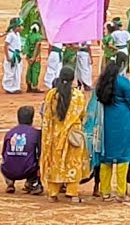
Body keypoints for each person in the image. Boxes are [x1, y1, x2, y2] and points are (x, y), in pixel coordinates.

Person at [39, 66, 89, 203]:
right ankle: (72, 193)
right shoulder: (78, 95)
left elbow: (46, 115)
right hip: (72, 135)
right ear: (73, 79)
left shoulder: (51, 94)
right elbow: (83, 114)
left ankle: (53, 194)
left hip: (55, 135)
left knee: (55, 163)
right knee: (73, 163)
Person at [92, 53, 130, 202]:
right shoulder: (123, 82)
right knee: (123, 156)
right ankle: (121, 192)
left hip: (107, 120)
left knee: (107, 156)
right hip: (122, 121)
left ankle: (105, 191)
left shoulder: (102, 81)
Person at [0, 105, 42, 195]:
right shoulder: (36, 133)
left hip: (8, 170)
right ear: (32, 119)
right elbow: (40, 153)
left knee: (4, 164)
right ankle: (31, 183)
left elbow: (3, 153)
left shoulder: (10, 133)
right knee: (39, 161)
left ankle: (10, 181)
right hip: (28, 170)